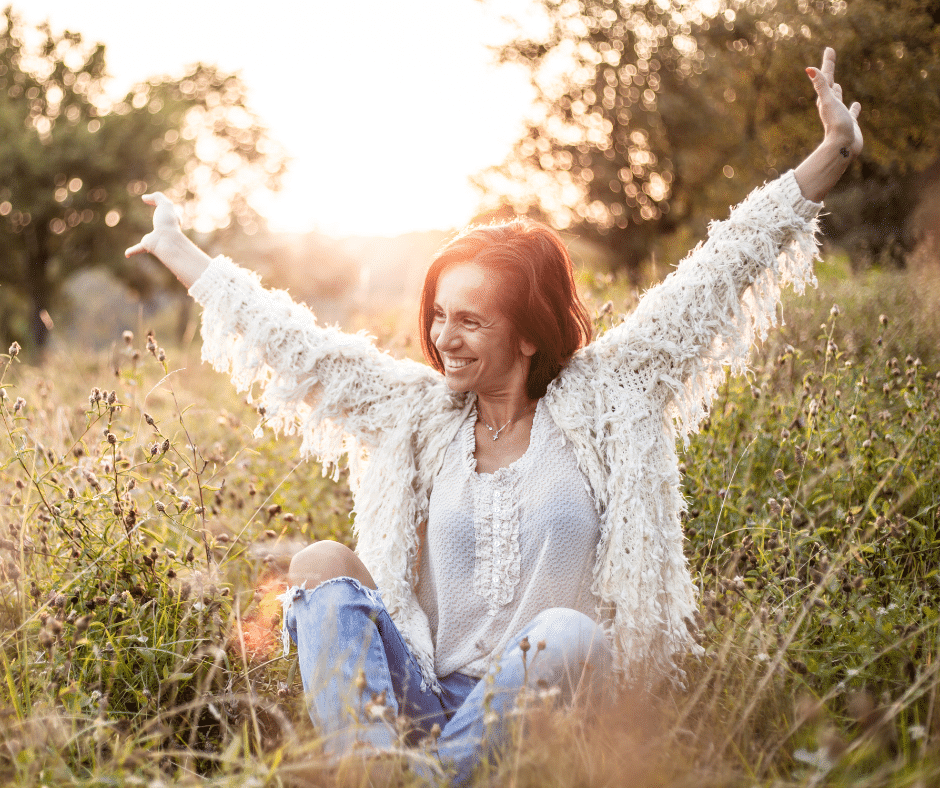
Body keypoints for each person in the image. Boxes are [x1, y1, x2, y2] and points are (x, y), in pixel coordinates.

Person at [126, 48, 862, 784]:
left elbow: (718, 270)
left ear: (529, 331)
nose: (445, 336)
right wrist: (180, 249)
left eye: (471, 320)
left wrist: (828, 157)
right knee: (319, 563)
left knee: (567, 633)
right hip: (419, 701)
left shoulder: (609, 395)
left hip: (551, 705)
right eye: (440, 314)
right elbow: (299, 349)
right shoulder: (420, 412)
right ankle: (384, 768)